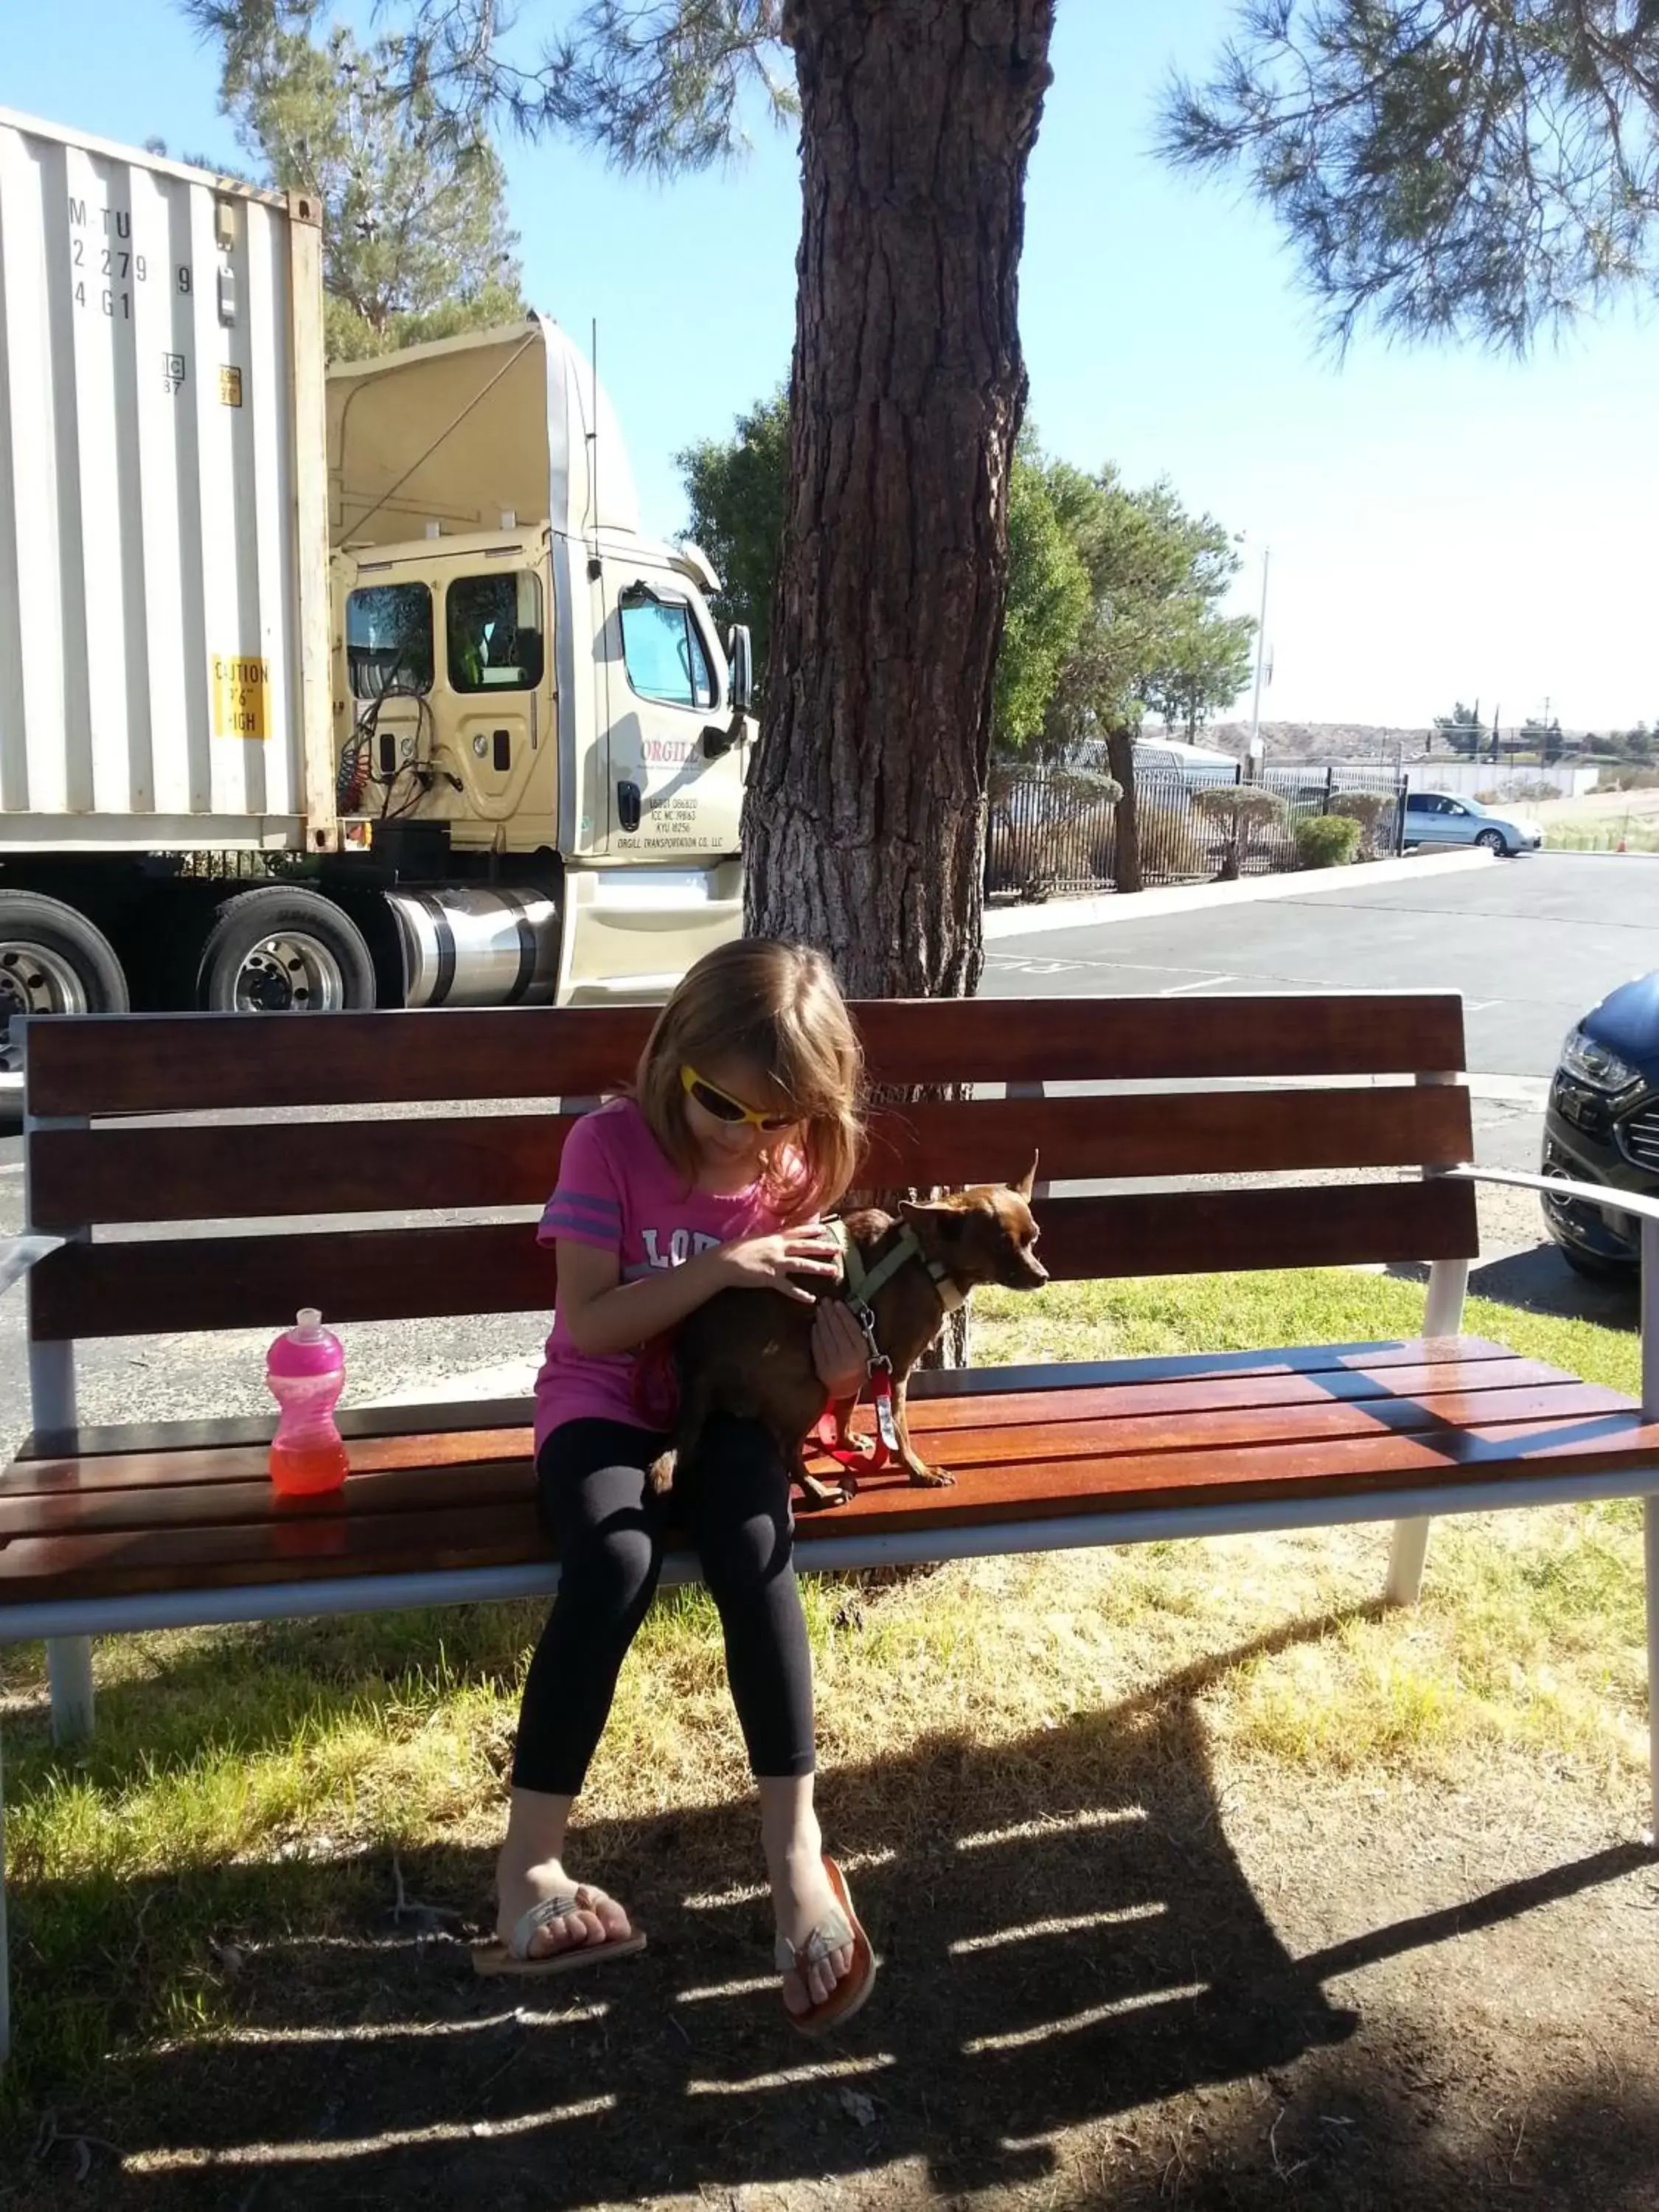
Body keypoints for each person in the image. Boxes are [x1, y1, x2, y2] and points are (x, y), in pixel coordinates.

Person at [481, 937, 877, 2033]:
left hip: (732, 1416)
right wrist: (717, 1265)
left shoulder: (792, 1174)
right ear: (672, 1059)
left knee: (754, 1543)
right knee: (615, 1559)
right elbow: (589, 1322)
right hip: (602, 1407)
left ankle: (797, 1857)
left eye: (777, 1118)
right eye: (721, 1104)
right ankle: (529, 1869)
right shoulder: (608, 1147)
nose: (744, 1137)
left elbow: (799, 1353)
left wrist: (840, 1376)